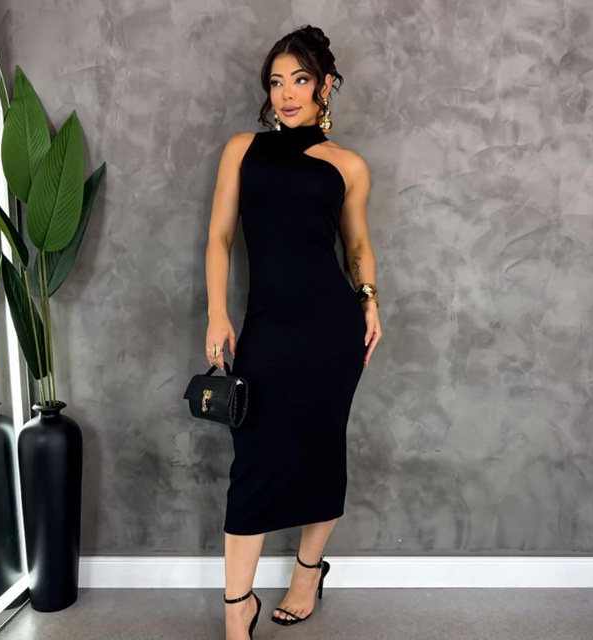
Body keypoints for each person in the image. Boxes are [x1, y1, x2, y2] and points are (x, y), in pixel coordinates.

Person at [204, 24, 382, 640]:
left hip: (332, 331)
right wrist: (217, 312)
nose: (285, 94)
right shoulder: (242, 150)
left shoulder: (347, 165)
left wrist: (369, 300)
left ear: (324, 85)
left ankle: (307, 574)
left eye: (299, 80)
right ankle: (238, 608)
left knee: (321, 449)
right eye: (276, 82)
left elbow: (357, 246)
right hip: (267, 328)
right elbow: (219, 237)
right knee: (253, 459)